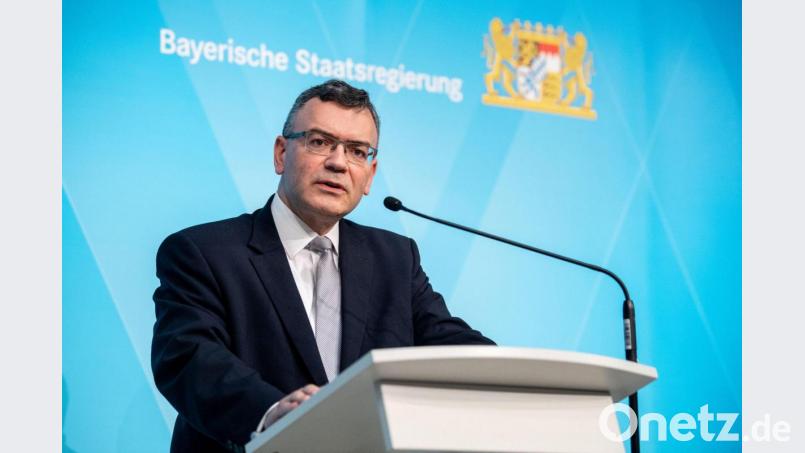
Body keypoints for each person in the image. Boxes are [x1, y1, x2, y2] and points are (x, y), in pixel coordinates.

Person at [151, 79, 495, 453]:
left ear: (370, 174)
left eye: (357, 151)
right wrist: (272, 414)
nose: (338, 162)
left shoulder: (394, 258)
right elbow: (189, 358)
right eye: (319, 142)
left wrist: (514, 379)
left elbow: (449, 343)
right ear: (281, 153)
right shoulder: (204, 252)